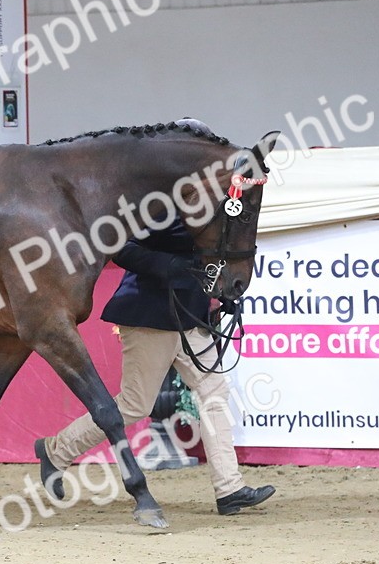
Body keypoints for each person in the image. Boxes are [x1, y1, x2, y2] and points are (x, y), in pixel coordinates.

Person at [34, 217, 276, 516]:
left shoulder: (208, 209)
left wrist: (222, 294)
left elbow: (207, 260)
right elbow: (121, 248)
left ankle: (229, 489)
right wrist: (169, 266)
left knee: (215, 391)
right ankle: (56, 450)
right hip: (149, 316)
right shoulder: (156, 202)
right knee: (136, 404)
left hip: (190, 317)